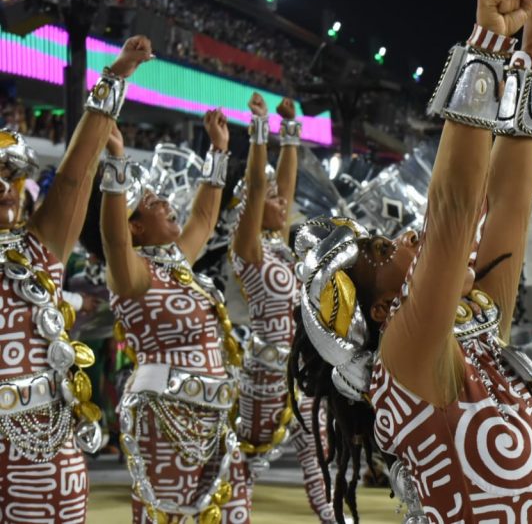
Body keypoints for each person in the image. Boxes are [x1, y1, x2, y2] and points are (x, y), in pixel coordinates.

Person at [292, 0, 532, 522]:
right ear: (384, 311)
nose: (408, 236)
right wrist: (485, 47)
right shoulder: (406, 366)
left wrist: (530, 63)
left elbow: (508, 208)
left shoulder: (476, 341)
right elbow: (454, 211)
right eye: (385, 251)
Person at [0, 36, 149, 524]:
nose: (5, 186)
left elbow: (71, 177)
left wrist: (115, 78)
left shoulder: (37, 247)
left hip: (42, 442)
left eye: (12, 174)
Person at [96, 110, 249, 523]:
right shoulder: (130, 274)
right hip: (164, 417)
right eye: (152, 203)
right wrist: (116, 161)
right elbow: (111, 236)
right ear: (136, 228)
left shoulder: (177, 265)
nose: (166, 202)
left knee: (230, 514)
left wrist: (218, 150)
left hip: (215, 414)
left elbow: (204, 217)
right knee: (169, 516)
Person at [228, 93, 334, 521]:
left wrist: (291, 131)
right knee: (252, 455)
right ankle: (233, 513)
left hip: (302, 369)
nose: (279, 203)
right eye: (270, 200)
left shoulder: (280, 249)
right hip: (265, 372)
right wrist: (259, 130)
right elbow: (258, 188)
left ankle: (332, 516)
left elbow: (281, 188)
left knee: (318, 453)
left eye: (278, 198)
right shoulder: (247, 250)